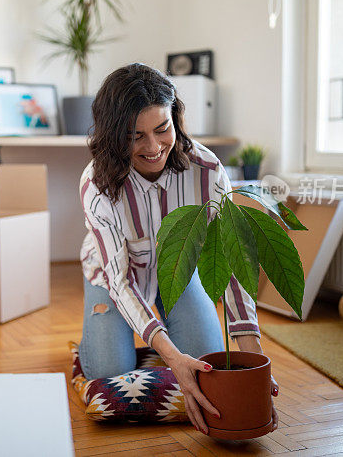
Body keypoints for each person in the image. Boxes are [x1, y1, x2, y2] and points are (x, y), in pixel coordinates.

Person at [78, 63, 278, 435]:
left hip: (180, 275)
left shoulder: (207, 170)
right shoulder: (97, 185)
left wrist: (253, 357)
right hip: (112, 280)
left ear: (176, 119)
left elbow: (230, 261)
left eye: (162, 129)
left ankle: (158, 335)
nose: (154, 148)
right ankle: (97, 332)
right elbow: (120, 281)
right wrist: (172, 359)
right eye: (135, 136)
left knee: (211, 368)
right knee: (109, 374)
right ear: (112, 136)